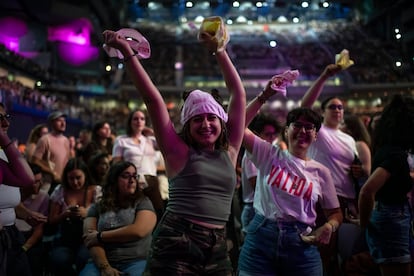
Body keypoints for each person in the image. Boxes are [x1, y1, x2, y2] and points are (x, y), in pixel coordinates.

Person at [102, 15, 246, 275]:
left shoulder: (231, 150)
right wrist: (126, 51)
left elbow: (238, 93)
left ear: (221, 122)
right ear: (187, 126)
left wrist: (220, 51)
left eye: (211, 117)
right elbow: (152, 99)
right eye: (197, 119)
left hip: (217, 244)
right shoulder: (178, 152)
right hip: (177, 239)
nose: (205, 124)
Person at [238, 80, 343, 275]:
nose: (303, 131)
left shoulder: (321, 172)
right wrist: (264, 96)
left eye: (309, 127)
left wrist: (329, 226)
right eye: (297, 125)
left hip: (302, 244)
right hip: (261, 238)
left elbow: (335, 213)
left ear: (316, 136)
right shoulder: (268, 154)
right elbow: (236, 124)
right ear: (286, 131)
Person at [301, 64, 362, 276]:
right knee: (324, 252)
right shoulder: (320, 132)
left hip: (347, 201)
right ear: (323, 112)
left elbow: (351, 169)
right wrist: (324, 75)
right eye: (332, 107)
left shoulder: (349, 139)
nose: (338, 110)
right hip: (325, 199)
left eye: (340, 107)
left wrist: (358, 172)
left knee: (345, 254)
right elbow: (305, 105)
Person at [359, 95, 414, 276]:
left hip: (391, 215)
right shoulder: (396, 154)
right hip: (391, 217)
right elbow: (367, 191)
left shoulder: (388, 149)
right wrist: (363, 223)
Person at [80, 161, 157, 276]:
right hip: (103, 262)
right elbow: (90, 239)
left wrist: (100, 236)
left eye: (134, 176)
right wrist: (105, 267)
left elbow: (138, 231)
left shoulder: (143, 202)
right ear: (114, 180)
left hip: (136, 261)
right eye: (126, 176)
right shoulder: (97, 206)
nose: (132, 180)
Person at [0, 102, 38, 276]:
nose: (6, 124)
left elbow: (25, 179)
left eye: (5, 117)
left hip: (9, 231)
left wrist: (25, 212)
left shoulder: (2, 153)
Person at [47, 158, 102, 276]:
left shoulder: (95, 190)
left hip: (88, 237)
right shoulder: (60, 190)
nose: (75, 182)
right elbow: (51, 220)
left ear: (85, 175)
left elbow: (105, 217)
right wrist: (65, 214)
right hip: (65, 238)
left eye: (78, 177)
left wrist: (88, 213)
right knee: (59, 260)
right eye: (71, 178)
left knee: (84, 258)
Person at [112, 110, 164, 221]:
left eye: (142, 119)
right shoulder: (121, 140)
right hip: (132, 180)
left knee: (158, 212)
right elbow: (116, 164)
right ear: (130, 121)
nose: (139, 121)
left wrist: (153, 133)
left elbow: (167, 145)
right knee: (132, 214)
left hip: (151, 180)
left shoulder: (150, 140)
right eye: (135, 118)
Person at [240, 114, 282, 233]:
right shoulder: (252, 155)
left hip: (262, 208)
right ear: (257, 135)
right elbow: (256, 185)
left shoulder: (269, 153)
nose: (272, 138)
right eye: (268, 134)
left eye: (274, 134)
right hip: (254, 208)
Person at [15, 163, 50, 276]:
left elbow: (39, 229)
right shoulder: (14, 195)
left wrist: (24, 248)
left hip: (29, 237)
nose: (39, 184)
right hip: (12, 234)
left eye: (40, 180)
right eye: (35, 181)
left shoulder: (43, 197)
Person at [31, 110, 71, 194]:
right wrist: (52, 173)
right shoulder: (45, 139)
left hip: (63, 182)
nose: (63, 123)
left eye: (64, 121)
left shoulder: (66, 140)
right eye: (59, 121)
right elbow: (35, 160)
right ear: (52, 123)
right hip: (49, 183)